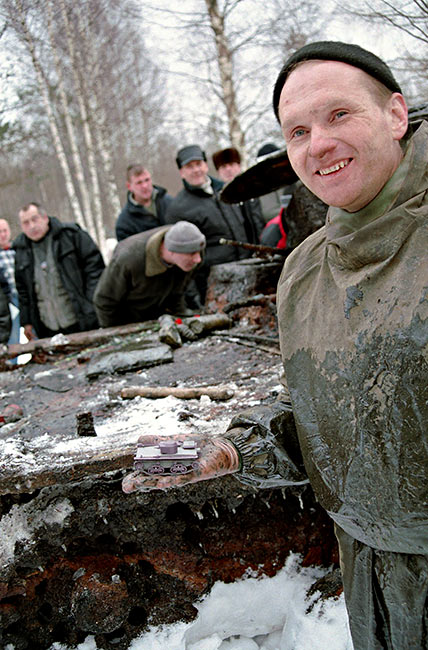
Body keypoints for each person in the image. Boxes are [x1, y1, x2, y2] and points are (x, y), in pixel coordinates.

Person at [122, 41, 428, 650]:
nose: (318, 144)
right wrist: (220, 451)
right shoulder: (306, 270)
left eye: (339, 115)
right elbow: (324, 415)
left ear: (396, 114)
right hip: (373, 584)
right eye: (297, 131)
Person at [165, 144, 261, 304]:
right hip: (215, 281)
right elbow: (180, 258)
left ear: (206, 165)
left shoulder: (226, 190)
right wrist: (193, 297)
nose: (196, 170)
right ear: (182, 172)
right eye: (189, 166)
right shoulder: (178, 209)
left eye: (198, 164)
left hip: (247, 270)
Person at [14, 202, 105, 339]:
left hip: (82, 320)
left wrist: (91, 303)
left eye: (35, 219)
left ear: (45, 218)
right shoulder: (21, 251)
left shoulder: (71, 236)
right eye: (26, 223)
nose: (32, 226)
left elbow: (95, 270)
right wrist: (26, 321)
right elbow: (23, 291)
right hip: (48, 327)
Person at [93, 221, 206, 327]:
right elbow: (105, 300)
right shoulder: (129, 259)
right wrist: (115, 333)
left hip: (161, 312)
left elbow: (178, 292)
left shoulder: (192, 246)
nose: (198, 259)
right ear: (171, 250)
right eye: (192, 254)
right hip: (127, 317)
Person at [115, 164, 173, 242]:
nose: (145, 186)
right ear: (129, 186)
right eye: (139, 183)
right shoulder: (124, 223)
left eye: (147, 180)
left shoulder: (170, 203)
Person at [0, 218, 20, 347]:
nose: (2, 235)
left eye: (5, 231)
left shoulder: (18, 249)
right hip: (8, 301)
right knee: (13, 336)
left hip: (23, 296)